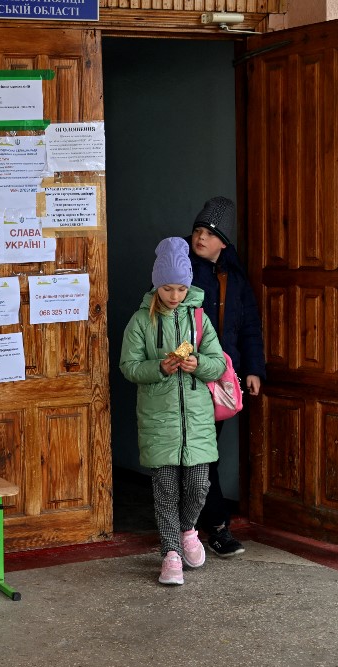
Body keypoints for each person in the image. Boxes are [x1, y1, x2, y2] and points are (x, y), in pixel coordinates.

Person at [120, 237, 226, 585]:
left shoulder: (199, 319)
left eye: (181, 288)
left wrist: (197, 364)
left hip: (196, 420)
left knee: (198, 486)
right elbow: (129, 367)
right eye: (168, 288)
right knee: (165, 489)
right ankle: (170, 555)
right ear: (156, 285)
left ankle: (188, 531)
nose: (175, 296)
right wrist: (159, 368)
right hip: (158, 419)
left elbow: (218, 363)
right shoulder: (140, 321)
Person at [188, 196, 267, 557]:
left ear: (223, 242)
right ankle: (215, 526)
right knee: (200, 454)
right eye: (197, 231)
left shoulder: (234, 278)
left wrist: (252, 369)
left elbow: (249, 326)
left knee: (205, 453)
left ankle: (201, 525)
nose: (200, 238)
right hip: (188, 376)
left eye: (209, 233)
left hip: (223, 379)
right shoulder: (182, 274)